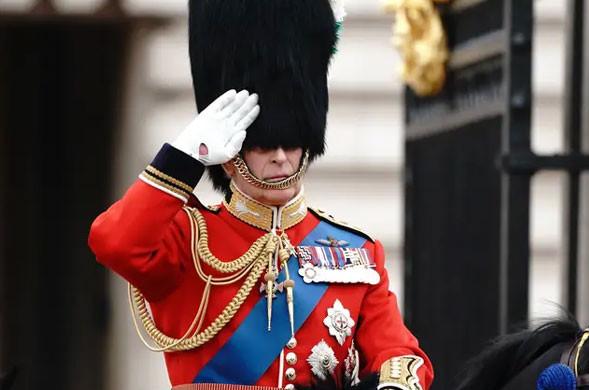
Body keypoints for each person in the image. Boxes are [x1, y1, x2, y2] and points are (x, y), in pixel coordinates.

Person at [87, 1, 433, 389]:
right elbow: (114, 242)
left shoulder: (357, 253)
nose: (282, 157)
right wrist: (185, 157)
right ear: (231, 152)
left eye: (291, 142)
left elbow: (401, 356)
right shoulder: (188, 239)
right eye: (264, 144)